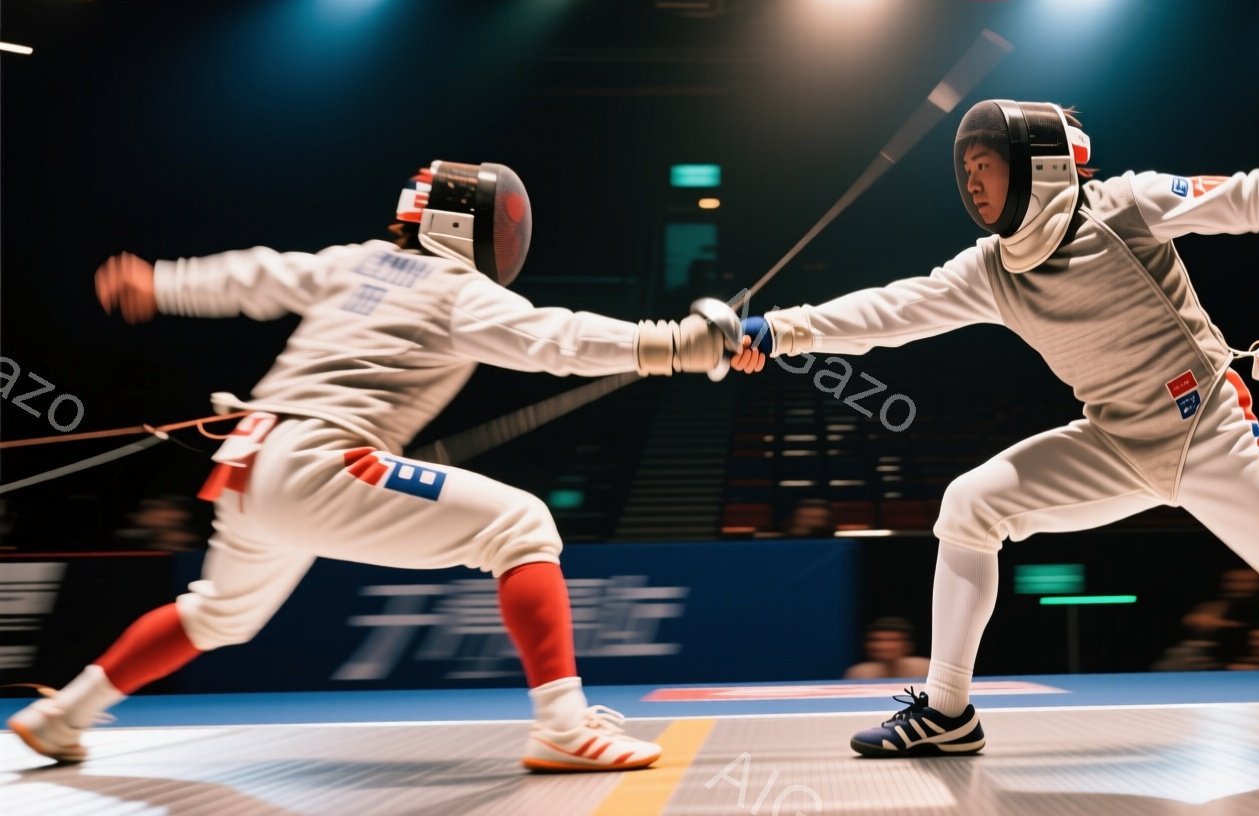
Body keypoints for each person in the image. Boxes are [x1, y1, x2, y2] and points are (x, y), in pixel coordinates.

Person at [726, 100, 1259, 755]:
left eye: (987, 167)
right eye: (967, 171)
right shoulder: (991, 271)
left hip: (1212, 436)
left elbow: (1246, 198)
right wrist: (778, 331)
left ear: (1038, 166)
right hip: (1116, 443)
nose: (973, 185)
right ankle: (947, 712)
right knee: (970, 505)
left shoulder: (1124, 207)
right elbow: (890, 310)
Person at [8, 161, 742, 772]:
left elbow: (258, 276)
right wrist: (679, 345)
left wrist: (163, 282)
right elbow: (559, 340)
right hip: (320, 461)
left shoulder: (356, 261)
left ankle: (65, 714)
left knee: (219, 613)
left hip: (250, 462)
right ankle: (563, 727)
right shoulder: (457, 290)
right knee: (521, 526)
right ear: (468, 227)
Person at [844, 617, 931, 680]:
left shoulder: (927, 669)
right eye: (878, 640)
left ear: (908, 645)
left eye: (894, 640)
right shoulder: (857, 674)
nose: (885, 646)